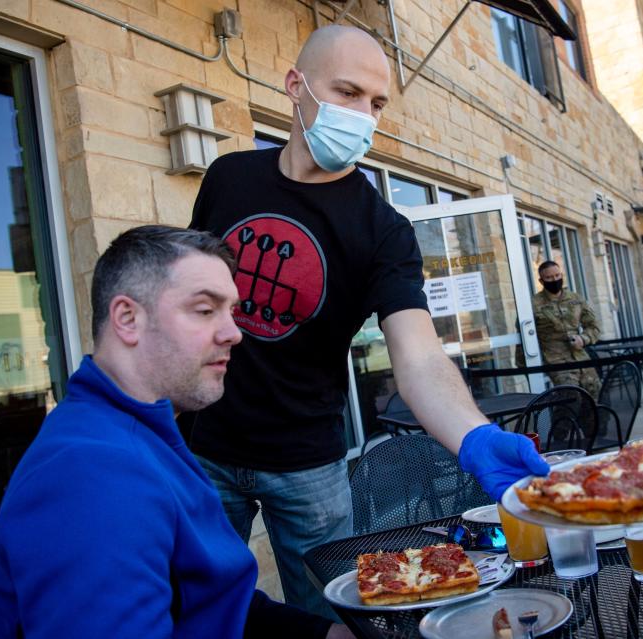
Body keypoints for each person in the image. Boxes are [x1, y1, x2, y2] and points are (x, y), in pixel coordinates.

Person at [181, 24, 548, 617]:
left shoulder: (384, 230)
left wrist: (472, 434)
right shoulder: (228, 177)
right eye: (347, 92)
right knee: (204, 607)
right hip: (205, 448)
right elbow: (192, 294)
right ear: (295, 87)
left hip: (309, 466)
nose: (362, 115)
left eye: (375, 103)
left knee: (334, 620)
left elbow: (419, 355)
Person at [0, 226, 351, 638]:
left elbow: (212, 602)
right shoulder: (89, 475)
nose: (234, 333)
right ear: (128, 319)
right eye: (206, 310)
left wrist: (330, 636)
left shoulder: (148, 435)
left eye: (231, 311)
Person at [532, 260, 602, 397]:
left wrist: (584, 338)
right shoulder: (533, 304)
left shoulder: (575, 298)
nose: (555, 280)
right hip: (557, 360)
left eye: (558, 275)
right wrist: (525, 367)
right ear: (541, 281)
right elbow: (524, 336)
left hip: (580, 356)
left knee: (594, 394)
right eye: (549, 278)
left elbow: (593, 326)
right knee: (570, 398)